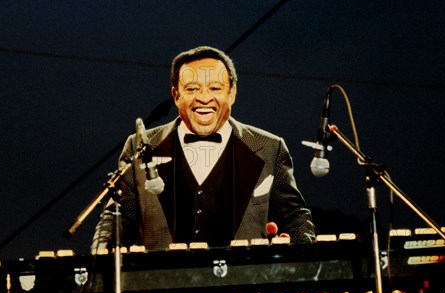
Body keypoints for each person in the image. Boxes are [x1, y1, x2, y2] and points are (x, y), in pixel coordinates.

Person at [93, 45, 315, 251]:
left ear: (232, 93)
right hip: (164, 287)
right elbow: (118, 217)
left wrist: (298, 254)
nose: (204, 98)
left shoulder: (269, 148)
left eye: (215, 88)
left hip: (244, 286)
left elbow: (295, 217)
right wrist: (100, 253)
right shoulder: (140, 146)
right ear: (176, 95)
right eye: (192, 89)